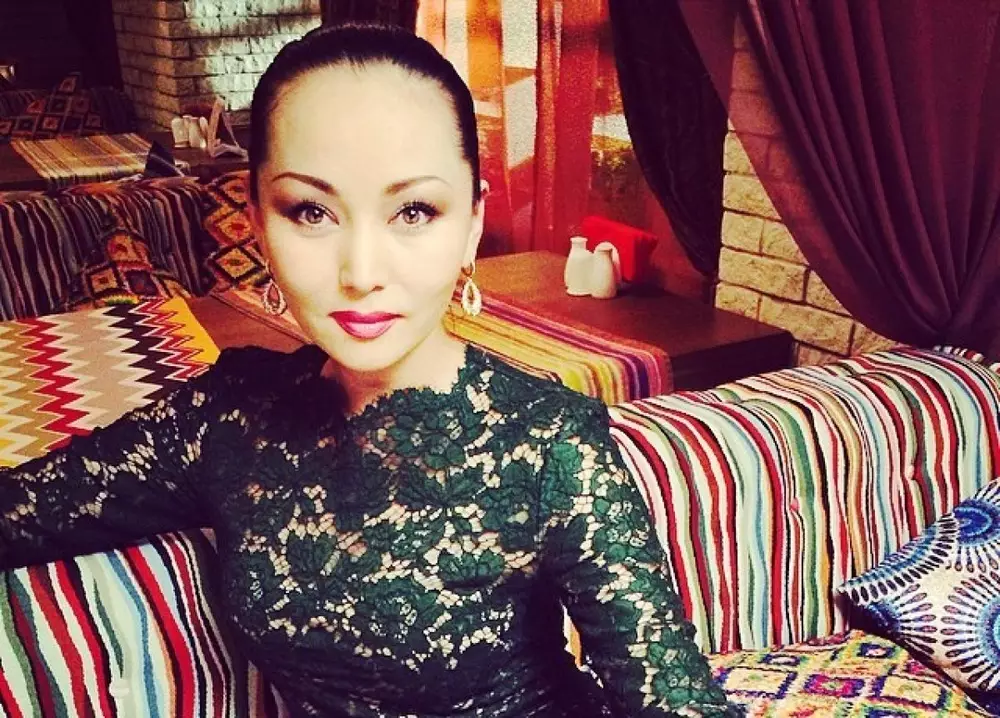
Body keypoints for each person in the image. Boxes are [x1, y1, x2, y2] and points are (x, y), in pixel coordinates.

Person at [0, 23, 740, 718]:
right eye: (310, 212)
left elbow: (672, 699)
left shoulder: (549, 442)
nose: (360, 272)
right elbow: (20, 511)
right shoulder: (226, 417)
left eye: (413, 211)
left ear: (472, 223)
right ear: (255, 218)